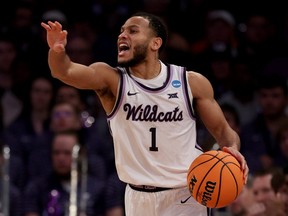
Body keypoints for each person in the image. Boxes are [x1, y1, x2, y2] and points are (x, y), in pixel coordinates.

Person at [41, 12, 248, 216]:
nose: (122, 35)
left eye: (133, 31)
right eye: (121, 31)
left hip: (186, 194)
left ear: (155, 43)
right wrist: (57, 50)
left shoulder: (191, 82)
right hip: (137, 196)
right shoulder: (112, 80)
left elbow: (223, 130)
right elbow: (64, 71)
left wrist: (233, 149)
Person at [23, 130, 106, 216]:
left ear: (81, 154)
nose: (61, 158)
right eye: (56, 153)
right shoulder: (37, 188)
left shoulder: (97, 189)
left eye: (67, 153)